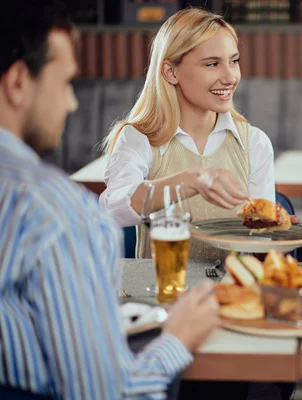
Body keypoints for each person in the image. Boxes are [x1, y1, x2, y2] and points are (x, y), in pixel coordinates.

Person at [0, 2, 220, 400]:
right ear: (18, 82)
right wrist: (177, 339)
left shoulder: (251, 140)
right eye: (66, 83)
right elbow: (108, 394)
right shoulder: (58, 214)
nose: (72, 103)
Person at [100, 8, 275, 261]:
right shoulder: (138, 138)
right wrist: (192, 180)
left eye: (234, 61)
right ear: (171, 72)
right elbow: (113, 208)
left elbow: (262, 243)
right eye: (212, 64)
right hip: (163, 293)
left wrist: (275, 231)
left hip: (233, 294)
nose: (230, 77)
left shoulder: (255, 142)